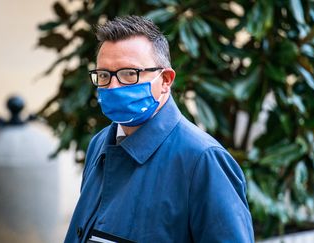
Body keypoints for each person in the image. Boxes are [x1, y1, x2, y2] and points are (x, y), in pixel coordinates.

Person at [65, 15, 254, 243]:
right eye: (104, 75)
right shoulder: (100, 143)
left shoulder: (202, 160)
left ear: (165, 80)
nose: (113, 86)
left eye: (129, 74)